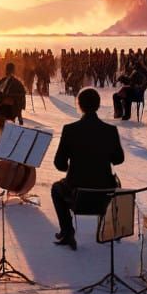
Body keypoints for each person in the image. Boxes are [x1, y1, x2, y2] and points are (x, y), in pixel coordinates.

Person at [51, 88, 125, 250]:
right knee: (116, 182)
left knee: (56, 188)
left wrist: (71, 168)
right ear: (98, 105)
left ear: (79, 105)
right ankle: (111, 228)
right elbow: (119, 159)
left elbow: (59, 164)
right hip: (104, 194)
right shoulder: (110, 130)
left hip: (77, 194)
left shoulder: (70, 130)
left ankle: (67, 231)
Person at [0, 62, 27, 139]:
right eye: (7, 70)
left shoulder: (17, 83)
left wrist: (10, 98)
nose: (8, 72)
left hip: (12, 109)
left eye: (9, 70)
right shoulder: (5, 80)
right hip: (4, 107)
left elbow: (20, 95)